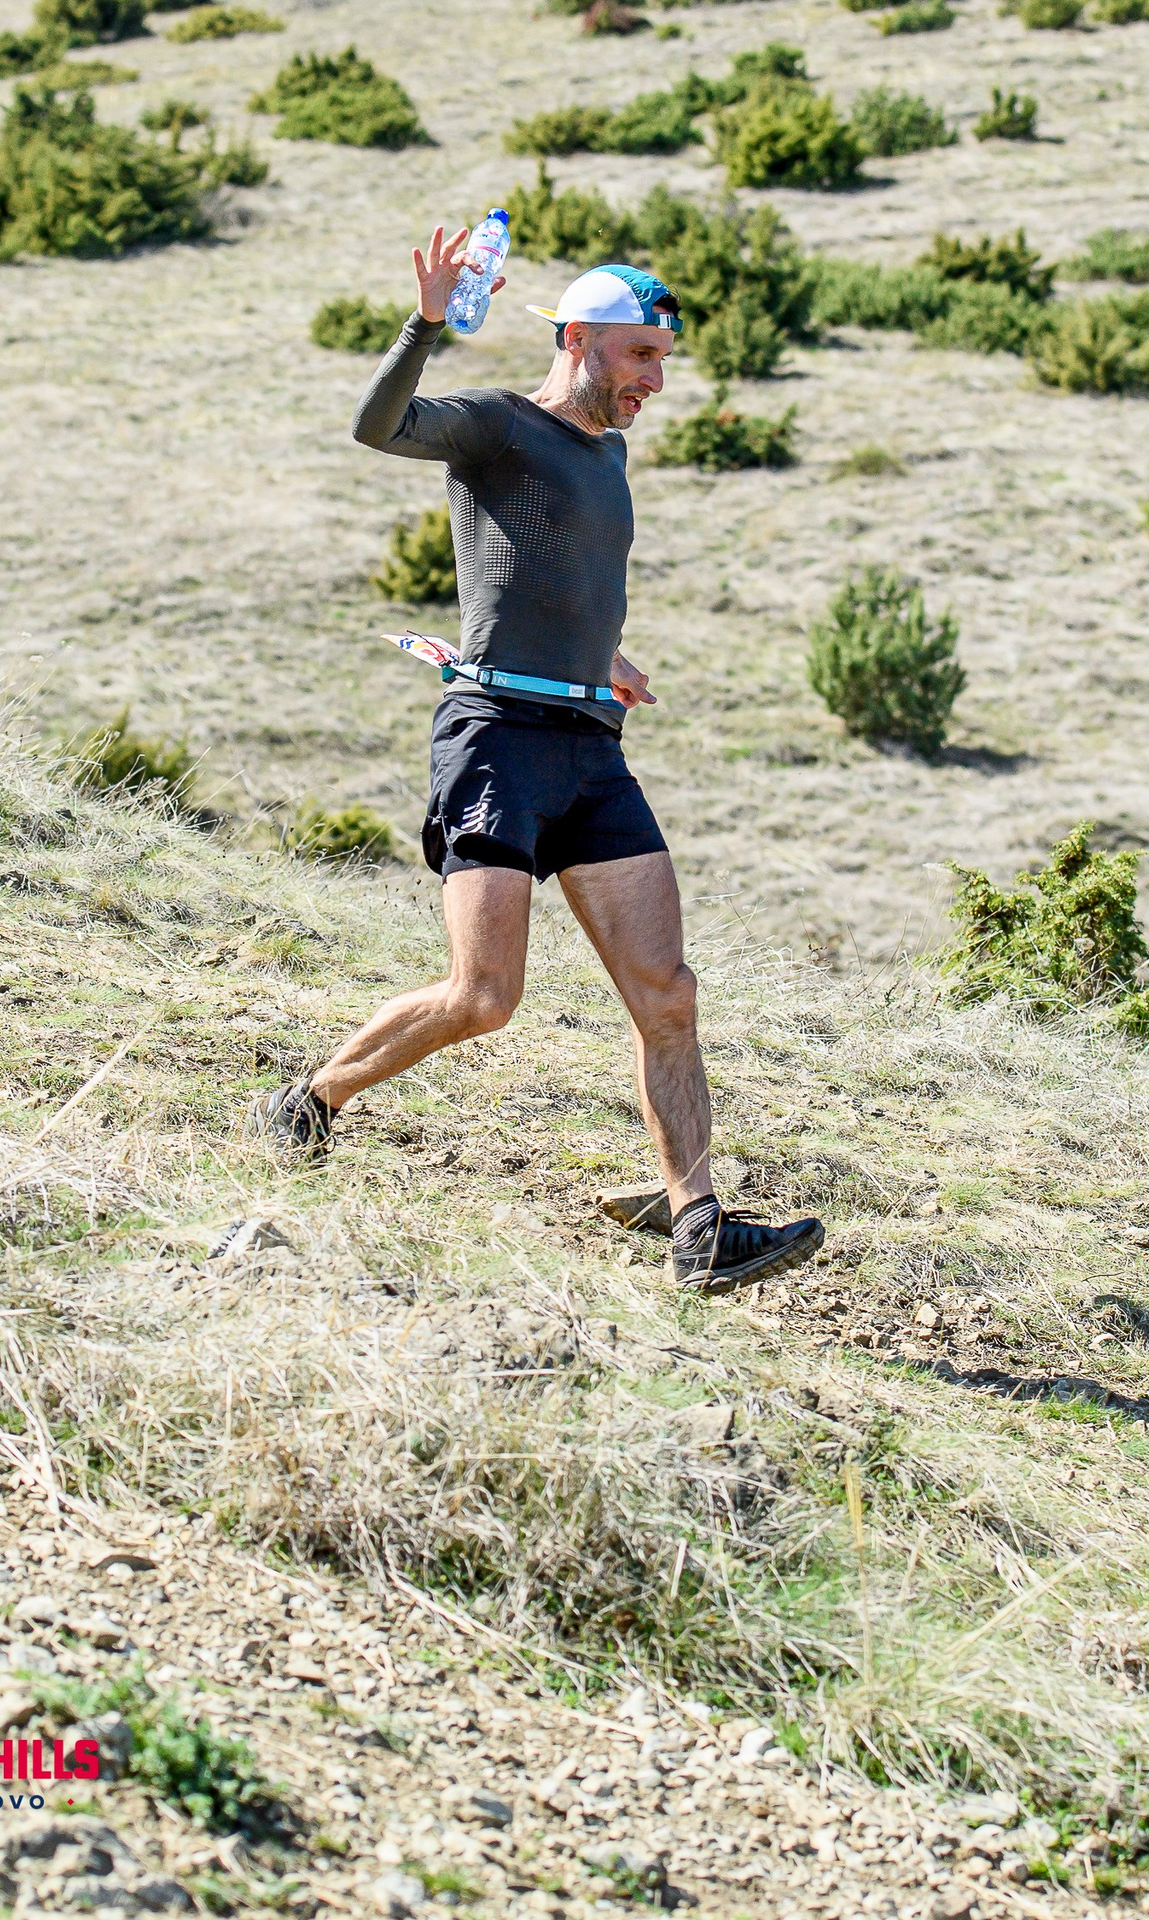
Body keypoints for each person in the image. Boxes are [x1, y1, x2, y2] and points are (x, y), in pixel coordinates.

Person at [250, 224, 824, 1295]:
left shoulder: (606, 456)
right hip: (496, 741)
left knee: (668, 994)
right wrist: (425, 323)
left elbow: (551, 571)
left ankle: (699, 1227)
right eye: (641, 354)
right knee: (483, 997)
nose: (657, 378)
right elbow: (379, 427)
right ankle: (310, 1101)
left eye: (663, 358)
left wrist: (598, 651)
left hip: (589, 748)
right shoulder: (497, 426)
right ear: (579, 339)